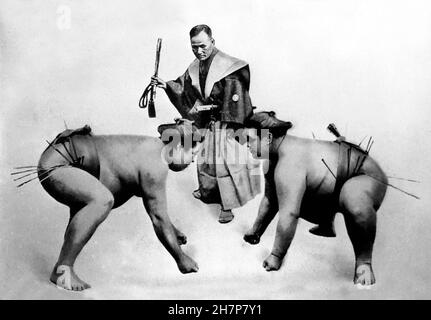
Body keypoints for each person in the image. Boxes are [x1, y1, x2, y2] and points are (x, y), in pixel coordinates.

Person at [37, 123, 200, 291]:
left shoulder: (152, 149)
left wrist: (172, 231)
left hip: (72, 161)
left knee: (93, 201)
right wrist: (181, 258)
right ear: (180, 146)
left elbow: (157, 211)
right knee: (101, 200)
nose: (193, 160)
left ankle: (63, 268)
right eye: (193, 153)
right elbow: (158, 217)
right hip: (59, 164)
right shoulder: (156, 163)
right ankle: (63, 270)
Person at [242, 111, 387, 286]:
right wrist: (255, 232)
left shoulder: (289, 162)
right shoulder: (272, 161)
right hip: (335, 183)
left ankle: (364, 263)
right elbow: (270, 199)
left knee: (353, 199)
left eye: (250, 140)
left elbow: (289, 214)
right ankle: (327, 225)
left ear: (267, 138)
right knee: (292, 192)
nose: (246, 145)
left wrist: (276, 255)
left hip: (364, 175)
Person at [151, 24, 260, 223]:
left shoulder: (230, 67)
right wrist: (165, 85)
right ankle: (207, 192)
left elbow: (236, 99)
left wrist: (228, 125)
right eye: (194, 47)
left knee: (223, 163)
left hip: (226, 121)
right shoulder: (195, 66)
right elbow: (183, 87)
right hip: (207, 122)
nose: (199, 51)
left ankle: (227, 207)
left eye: (202, 46)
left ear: (212, 42)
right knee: (204, 161)